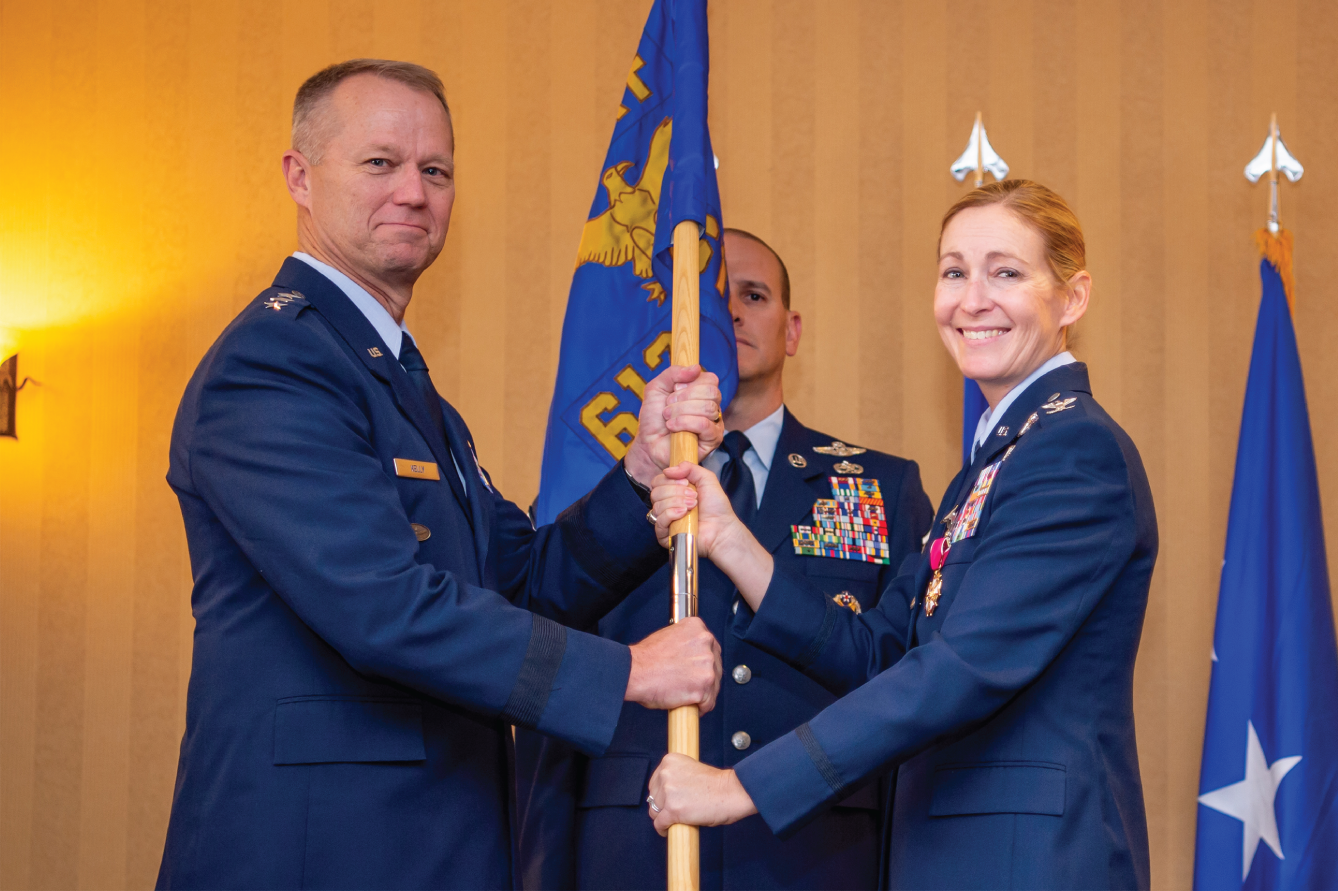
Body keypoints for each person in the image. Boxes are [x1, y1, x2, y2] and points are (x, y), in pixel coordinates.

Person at [157, 59, 726, 890]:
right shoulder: (273, 362)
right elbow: (382, 605)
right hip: (317, 853)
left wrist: (639, 474)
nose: (414, 193)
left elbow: (519, 582)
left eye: (436, 171)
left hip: (433, 844)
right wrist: (631, 673)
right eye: (380, 163)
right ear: (300, 177)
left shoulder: (404, 386)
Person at [645, 180, 1158, 890]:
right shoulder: (997, 461)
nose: (972, 298)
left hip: (1028, 864)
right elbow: (882, 649)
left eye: (1005, 271)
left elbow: (959, 670)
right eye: (954, 271)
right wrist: (731, 540)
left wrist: (742, 788)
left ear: (1072, 297)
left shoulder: (1073, 451)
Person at [514, 229, 934, 890]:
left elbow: (908, 684)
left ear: (791, 329)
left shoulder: (880, 487)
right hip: (632, 852)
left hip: (816, 853)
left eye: (754, 295)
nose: (731, 312)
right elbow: (545, 673)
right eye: (711, 297)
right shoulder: (604, 494)